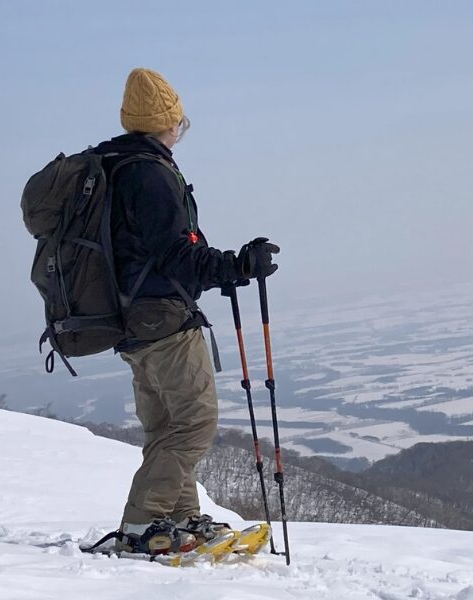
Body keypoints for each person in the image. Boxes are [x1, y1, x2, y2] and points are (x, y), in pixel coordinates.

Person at [93, 67, 279, 551]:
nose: (180, 130)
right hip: (164, 321)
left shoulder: (114, 167)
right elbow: (176, 254)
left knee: (166, 428)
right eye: (180, 121)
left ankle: (181, 519)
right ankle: (141, 523)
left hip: (131, 322)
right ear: (167, 122)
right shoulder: (150, 175)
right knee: (195, 423)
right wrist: (237, 266)